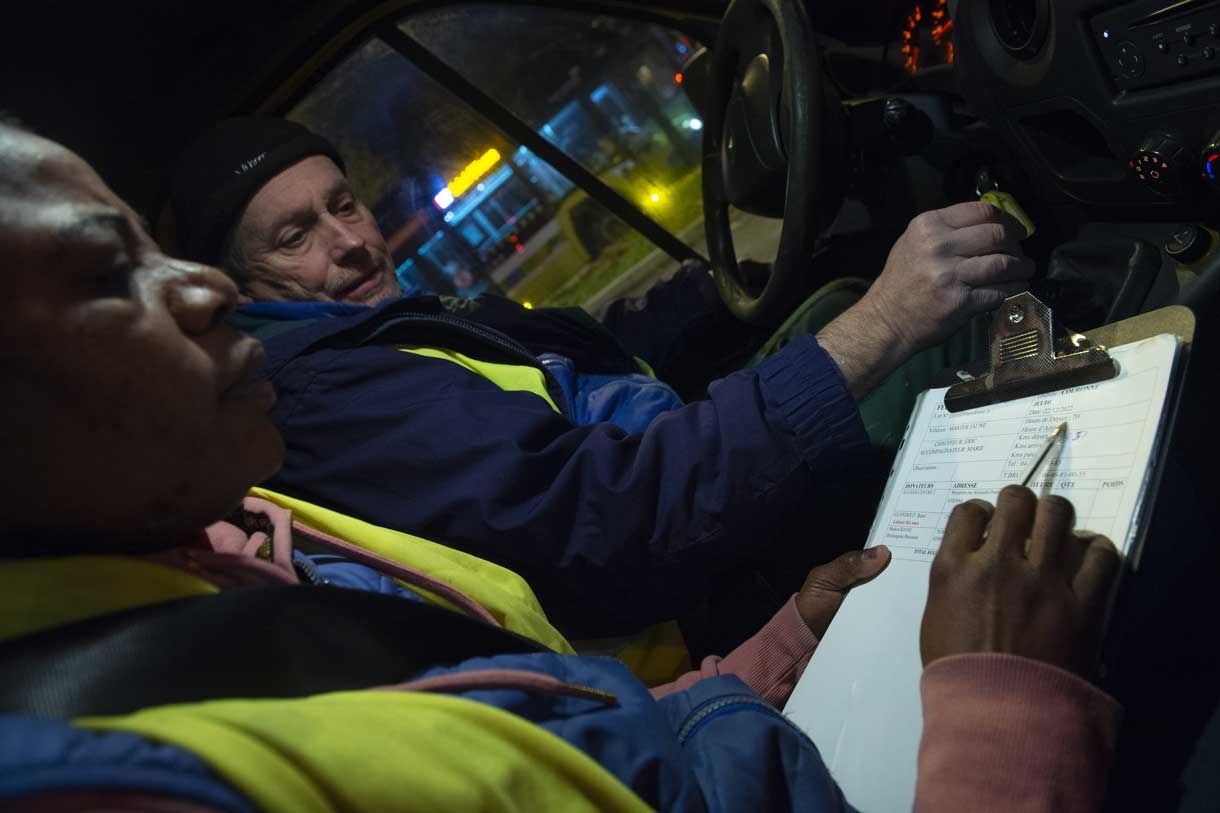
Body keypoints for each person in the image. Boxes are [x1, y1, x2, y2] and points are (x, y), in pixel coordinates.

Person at [1, 119, 1122, 812]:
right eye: (109, 272)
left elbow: (573, 729)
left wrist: (773, 654)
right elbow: (607, 523)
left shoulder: (225, 558)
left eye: (344, 204)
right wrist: (999, 706)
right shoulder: (139, 750)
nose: (202, 295)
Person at [168, 118, 1034, 653]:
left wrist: (706, 289)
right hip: (717, 583)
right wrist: (880, 327)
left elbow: (572, 354)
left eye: (344, 204)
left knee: (844, 295)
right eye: (294, 236)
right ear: (238, 291)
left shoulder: (379, 325)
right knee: (924, 341)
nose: (350, 241)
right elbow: (615, 514)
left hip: (694, 472)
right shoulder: (330, 393)